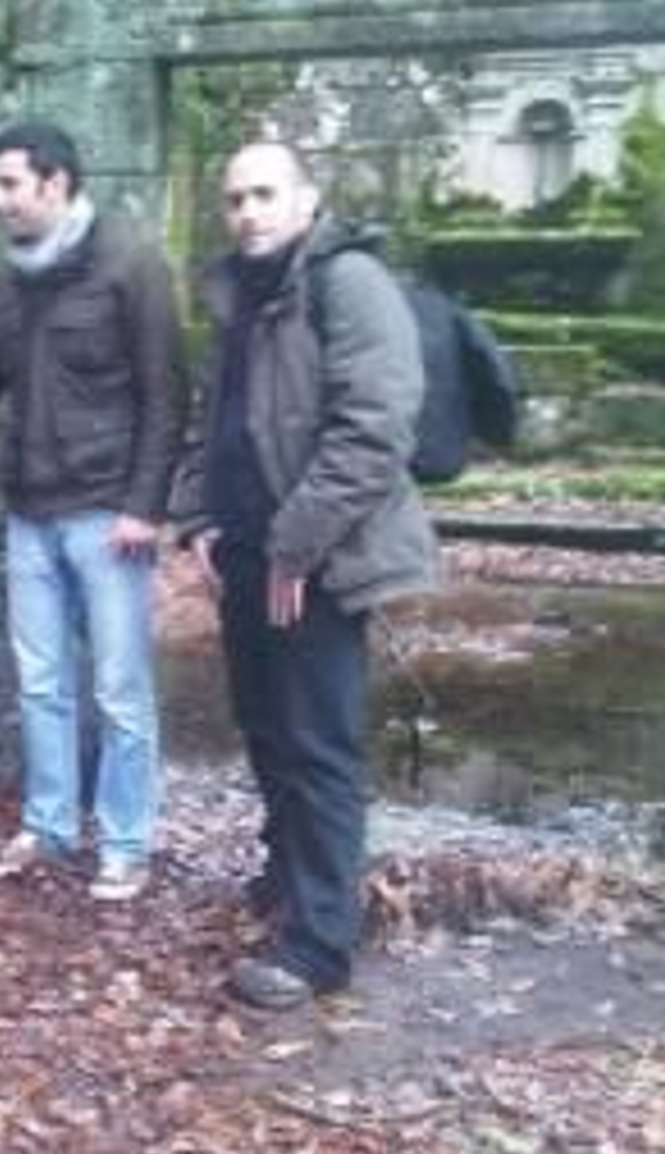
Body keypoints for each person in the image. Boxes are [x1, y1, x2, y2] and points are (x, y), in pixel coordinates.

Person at [173, 141, 439, 1009]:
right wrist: (200, 519)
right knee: (264, 725)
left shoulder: (349, 282)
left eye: (264, 194)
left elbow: (375, 427)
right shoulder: (240, 293)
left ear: (306, 199)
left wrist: (296, 542)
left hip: (321, 556)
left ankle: (321, 942)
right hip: (250, 549)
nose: (247, 211)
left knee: (320, 743)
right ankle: (288, 873)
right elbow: (213, 420)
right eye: (235, 198)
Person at [0, 120, 186, 901]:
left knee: (118, 687)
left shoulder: (130, 263)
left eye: (8, 183)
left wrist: (146, 506)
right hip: (30, 515)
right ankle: (47, 828)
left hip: (107, 513)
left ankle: (124, 842)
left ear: (56, 183)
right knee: (40, 683)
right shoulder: (11, 280)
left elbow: (169, 394)